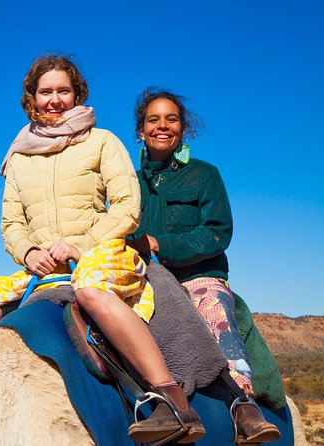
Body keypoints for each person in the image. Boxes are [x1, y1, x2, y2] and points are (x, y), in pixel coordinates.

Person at [0, 56, 205, 444]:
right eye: (46, 92)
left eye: (63, 91)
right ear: (32, 98)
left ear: (77, 94)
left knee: (92, 291)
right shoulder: (18, 157)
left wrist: (81, 244)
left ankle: (172, 400)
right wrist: (29, 252)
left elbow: (126, 206)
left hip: (98, 253)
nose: (55, 100)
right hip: (42, 267)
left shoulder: (102, 141)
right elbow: (11, 224)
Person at [127, 88, 281, 443]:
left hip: (200, 275)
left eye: (172, 119)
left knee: (215, 313)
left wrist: (159, 244)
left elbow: (217, 232)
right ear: (141, 129)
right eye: (153, 119)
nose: (162, 126)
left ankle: (244, 405)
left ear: (183, 129)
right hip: (147, 278)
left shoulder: (204, 174)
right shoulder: (128, 183)